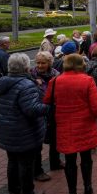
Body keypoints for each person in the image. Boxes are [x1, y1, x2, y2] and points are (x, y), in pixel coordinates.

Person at [45, 53, 97, 194]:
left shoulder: (55, 81)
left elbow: (47, 100)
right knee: (86, 158)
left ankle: (72, 193)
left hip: (64, 126)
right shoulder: (87, 80)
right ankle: (88, 187)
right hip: (85, 125)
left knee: (70, 160)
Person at [0, 53, 49, 194]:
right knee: (26, 164)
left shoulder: (2, 82)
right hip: (24, 131)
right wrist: (49, 107)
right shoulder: (26, 85)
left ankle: (14, 192)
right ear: (26, 67)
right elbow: (32, 109)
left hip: (7, 129)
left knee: (12, 162)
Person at [30, 51, 63, 180]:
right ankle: (37, 171)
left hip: (53, 111)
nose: (39, 65)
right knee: (37, 142)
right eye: (38, 62)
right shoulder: (31, 75)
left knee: (55, 138)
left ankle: (55, 162)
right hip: (37, 112)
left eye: (43, 63)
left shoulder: (56, 74)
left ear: (49, 63)